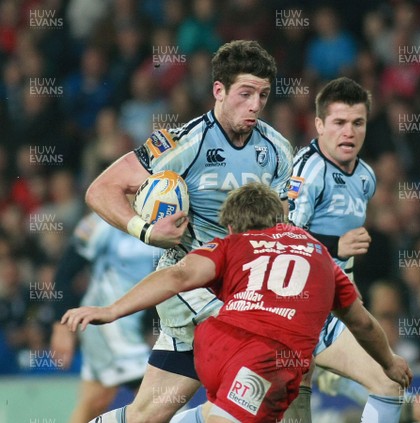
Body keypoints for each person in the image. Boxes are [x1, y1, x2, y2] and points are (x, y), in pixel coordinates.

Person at [61, 183, 413, 423]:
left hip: (220, 338)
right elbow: (364, 322)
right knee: (387, 383)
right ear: (281, 218)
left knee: (153, 413)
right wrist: (390, 361)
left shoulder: (232, 245)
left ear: (230, 226)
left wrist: (110, 310)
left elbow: (177, 276)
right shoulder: (320, 254)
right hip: (268, 349)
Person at [84, 40, 293, 422]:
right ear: (219, 90)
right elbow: (101, 189)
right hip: (193, 287)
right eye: (245, 93)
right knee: (255, 382)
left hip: (241, 288)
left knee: (146, 416)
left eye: (263, 95)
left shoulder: (277, 149)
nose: (255, 105)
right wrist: (145, 230)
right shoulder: (185, 142)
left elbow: (282, 224)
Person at [287, 76, 405, 422]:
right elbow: (285, 237)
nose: (349, 132)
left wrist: (348, 288)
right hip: (297, 300)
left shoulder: (366, 176)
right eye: (339, 123)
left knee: (387, 385)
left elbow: (340, 257)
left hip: (333, 300)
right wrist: (336, 245)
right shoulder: (308, 171)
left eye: (357, 123)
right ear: (320, 125)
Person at [49, 212, 161, 422]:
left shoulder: (164, 217)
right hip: (105, 327)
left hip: (133, 325)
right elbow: (66, 272)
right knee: (157, 398)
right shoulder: (101, 220)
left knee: (95, 401)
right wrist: (60, 325)